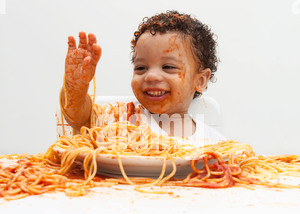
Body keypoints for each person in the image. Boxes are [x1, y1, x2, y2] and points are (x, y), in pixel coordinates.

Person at [60, 10, 225, 142]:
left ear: (200, 80)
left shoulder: (212, 143)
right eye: (141, 68)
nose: (151, 76)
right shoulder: (122, 119)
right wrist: (75, 86)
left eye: (168, 67)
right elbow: (78, 117)